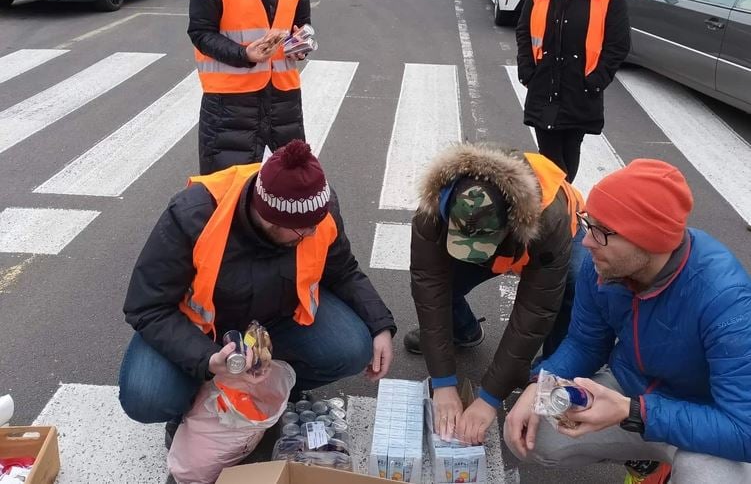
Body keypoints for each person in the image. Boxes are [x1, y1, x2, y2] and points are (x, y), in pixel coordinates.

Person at [119, 140, 396, 435]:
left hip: (275, 322)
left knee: (354, 347)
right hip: (198, 331)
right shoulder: (194, 214)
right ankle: (197, 401)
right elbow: (147, 307)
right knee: (146, 396)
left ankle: (273, 390)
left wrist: (379, 324)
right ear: (267, 217)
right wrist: (207, 359)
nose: (313, 233)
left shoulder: (315, 209)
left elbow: (343, 270)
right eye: (302, 231)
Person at [504, 159, 751, 484]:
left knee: (709, 478)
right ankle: (649, 464)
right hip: (630, 390)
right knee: (537, 432)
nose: (588, 241)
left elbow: (742, 429)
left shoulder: (726, 299)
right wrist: (541, 383)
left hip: (700, 417)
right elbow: (584, 342)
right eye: (588, 223)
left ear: (648, 240)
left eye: (603, 231)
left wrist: (633, 411)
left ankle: (670, 463)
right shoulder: (604, 265)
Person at [406, 143, 587, 446]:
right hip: (502, 244)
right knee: (443, 286)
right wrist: (443, 383)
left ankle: (548, 380)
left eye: (481, 247)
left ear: (510, 226)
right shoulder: (433, 210)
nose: (474, 257)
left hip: (556, 240)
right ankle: (464, 331)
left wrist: (489, 397)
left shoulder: (548, 219)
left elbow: (534, 311)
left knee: (572, 294)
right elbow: (429, 287)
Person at [188, 0, 311, 174]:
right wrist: (245, 54)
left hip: (284, 101)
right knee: (226, 191)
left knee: (289, 192)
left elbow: (301, 24)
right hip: (230, 104)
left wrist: (302, 43)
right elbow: (200, 33)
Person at [515, 0, 630, 183]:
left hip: (580, 90)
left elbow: (618, 45)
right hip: (545, 85)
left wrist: (596, 80)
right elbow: (524, 30)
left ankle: (562, 212)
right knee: (551, 160)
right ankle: (560, 210)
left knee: (570, 151)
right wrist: (526, 70)